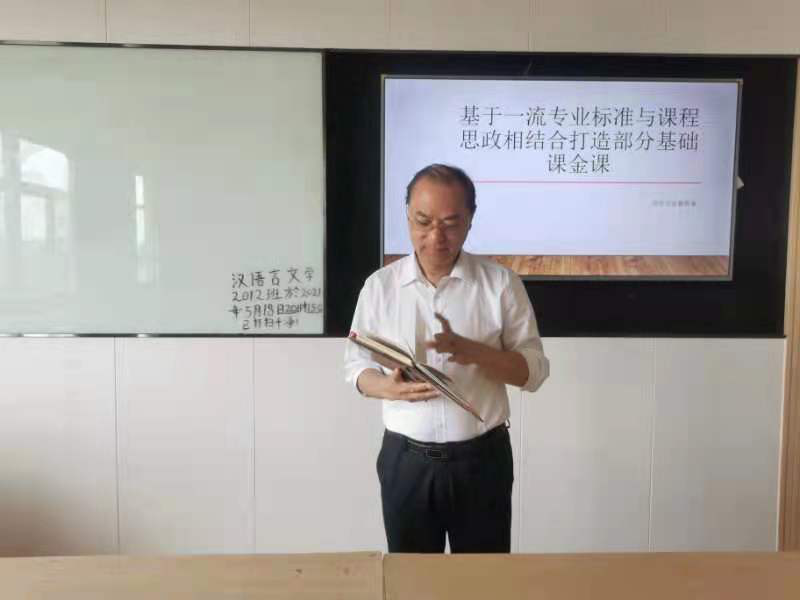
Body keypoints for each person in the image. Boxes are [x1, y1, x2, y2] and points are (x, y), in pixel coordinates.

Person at [344, 163, 549, 553]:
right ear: (407, 215)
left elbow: (534, 372)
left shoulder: (500, 284)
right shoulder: (380, 287)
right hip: (406, 461)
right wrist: (385, 387)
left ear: (470, 220)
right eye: (423, 222)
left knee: (483, 578)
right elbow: (356, 366)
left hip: (481, 461)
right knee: (411, 577)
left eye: (451, 224)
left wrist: (476, 352)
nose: (436, 237)